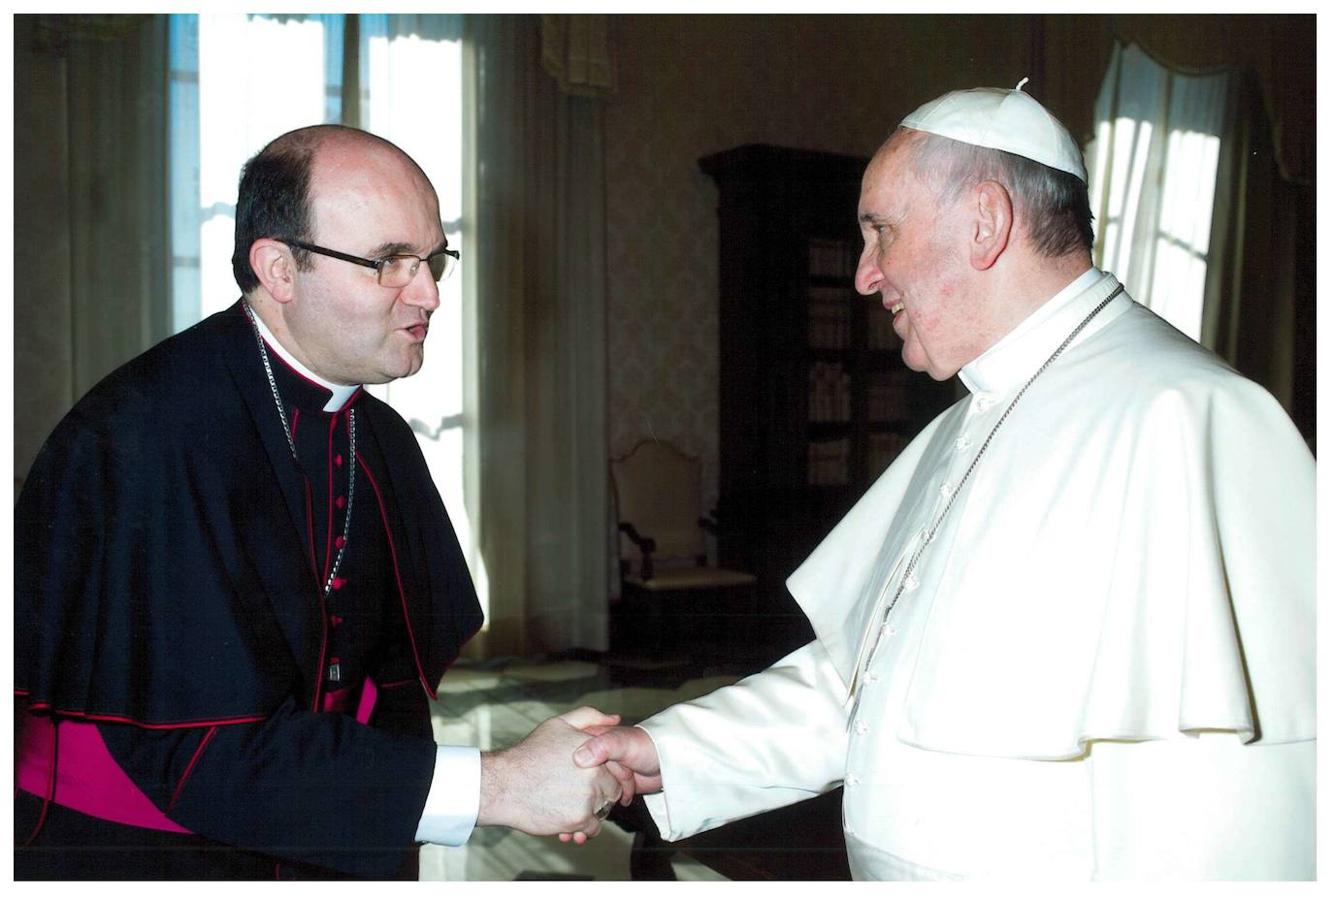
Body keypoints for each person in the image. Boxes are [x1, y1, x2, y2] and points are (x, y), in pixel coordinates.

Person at [571, 83, 1315, 879]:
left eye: (879, 234)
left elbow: (1243, 797)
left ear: (985, 223)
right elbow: (868, 683)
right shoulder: (966, 419)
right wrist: (668, 750)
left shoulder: (1187, 415)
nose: (863, 276)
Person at [14, 124, 622, 880]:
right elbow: (191, 746)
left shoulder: (380, 436)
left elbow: (386, 690)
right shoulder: (150, 435)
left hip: (332, 826)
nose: (429, 293)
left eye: (433, 260)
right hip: (153, 852)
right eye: (388, 262)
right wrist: (499, 785)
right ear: (279, 270)